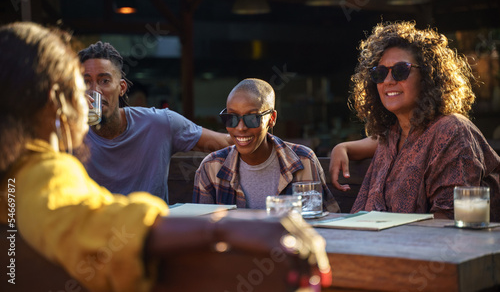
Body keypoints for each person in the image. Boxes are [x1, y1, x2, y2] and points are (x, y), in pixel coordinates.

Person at [0, 22, 331, 291]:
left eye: (102, 83)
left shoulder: (17, 170)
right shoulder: (37, 171)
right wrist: (223, 229)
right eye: (80, 87)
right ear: (55, 100)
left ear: (122, 87)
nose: (91, 98)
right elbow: (92, 224)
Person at [330, 21, 500, 221]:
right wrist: (343, 148)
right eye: (380, 73)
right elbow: (387, 143)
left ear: (428, 75)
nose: (388, 81)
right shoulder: (395, 134)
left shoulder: (452, 129)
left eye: (401, 70)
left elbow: (450, 219)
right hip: (379, 244)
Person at [78, 41, 232, 202]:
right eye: (86, 82)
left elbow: (227, 143)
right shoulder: (68, 132)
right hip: (92, 226)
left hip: (151, 225)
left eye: (104, 81)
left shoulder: (159, 123)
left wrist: (254, 124)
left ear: (121, 88)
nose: (94, 90)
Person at [193, 78, 340, 212]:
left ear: (272, 119)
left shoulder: (304, 161)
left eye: (252, 118)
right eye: (231, 118)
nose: (240, 127)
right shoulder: (211, 167)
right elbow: (200, 230)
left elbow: (326, 222)